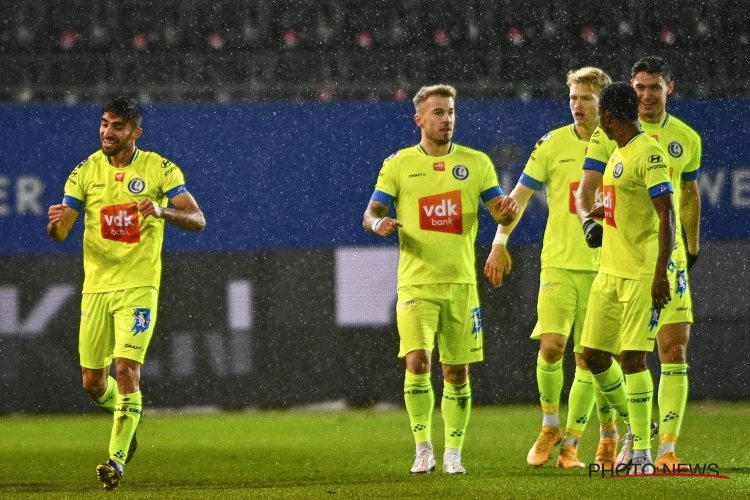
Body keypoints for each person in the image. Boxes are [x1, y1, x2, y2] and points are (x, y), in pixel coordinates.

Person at [47, 96, 206, 490]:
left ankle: (116, 461)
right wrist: (55, 224)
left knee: (126, 370)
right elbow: (61, 232)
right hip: (96, 288)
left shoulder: (159, 168)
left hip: (138, 286)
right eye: (104, 124)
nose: (107, 132)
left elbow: (198, 219)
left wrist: (162, 210)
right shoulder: (84, 171)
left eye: (117, 126)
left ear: (136, 133)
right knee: (92, 383)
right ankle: (127, 414)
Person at [362, 84, 518, 475]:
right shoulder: (398, 164)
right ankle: (423, 448)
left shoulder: (476, 163)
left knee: (456, 371)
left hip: (460, 284)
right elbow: (371, 212)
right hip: (415, 283)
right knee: (417, 361)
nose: (446, 119)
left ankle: (453, 453)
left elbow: (500, 211)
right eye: (437, 113)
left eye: (450, 112)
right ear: (419, 119)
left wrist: (506, 214)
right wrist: (378, 223)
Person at [484, 67, 622, 469]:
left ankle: (591, 440)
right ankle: (550, 425)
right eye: (573, 98)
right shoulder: (551, 144)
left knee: (592, 358)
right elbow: (519, 198)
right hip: (559, 263)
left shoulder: (620, 145)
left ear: (603, 102)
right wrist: (499, 243)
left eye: (586, 99)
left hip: (604, 267)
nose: (577, 106)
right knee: (552, 346)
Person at [576, 56, 701, 469]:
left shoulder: (650, 151)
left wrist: (666, 269)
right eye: (640, 88)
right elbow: (609, 199)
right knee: (592, 355)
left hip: (644, 271)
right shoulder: (616, 151)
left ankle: (653, 450)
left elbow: (667, 211)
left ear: (609, 116)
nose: (648, 95)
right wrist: (597, 215)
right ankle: (638, 430)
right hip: (610, 271)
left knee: (647, 355)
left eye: (655, 87)